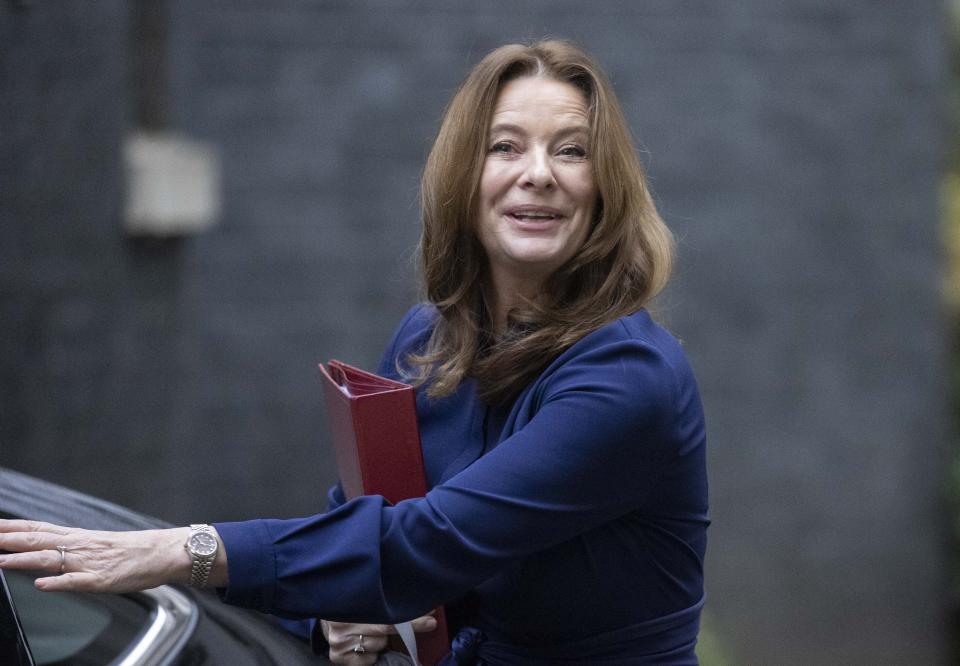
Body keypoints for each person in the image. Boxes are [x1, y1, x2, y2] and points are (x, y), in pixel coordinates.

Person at [0, 40, 708, 665]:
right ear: (466, 177)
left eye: (571, 150)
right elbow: (357, 532)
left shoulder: (627, 380)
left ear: (604, 188)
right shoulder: (430, 339)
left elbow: (428, 541)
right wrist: (330, 619)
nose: (538, 174)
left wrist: (179, 551)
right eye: (505, 146)